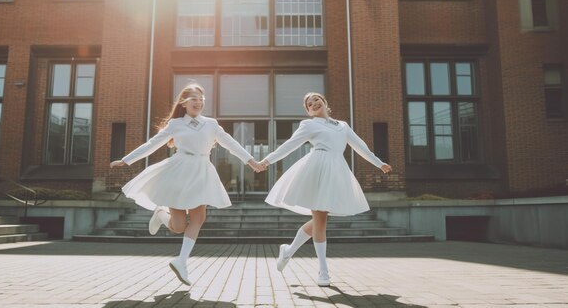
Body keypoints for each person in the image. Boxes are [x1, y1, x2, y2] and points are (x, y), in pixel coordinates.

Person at [110, 83, 264, 286]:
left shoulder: (211, 124)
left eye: (201, 99)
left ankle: (181, 262)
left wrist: (251, 161)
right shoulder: (175, 124)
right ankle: (160, 214)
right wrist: (126, 159)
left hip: (201, 170)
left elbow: (230, 143)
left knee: (199, 217)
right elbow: (151, 144)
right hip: (179, 171)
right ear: (184, 103)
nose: (198, 102)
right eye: (194, 99)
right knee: (178, 226)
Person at [259, 92, 392, 287]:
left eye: (316, 100)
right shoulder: (308, 125)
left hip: (337, 170)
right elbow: (289, 145)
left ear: (324, 102)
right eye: (309, 104)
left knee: (319, 220)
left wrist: (379, 163)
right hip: (317, 169)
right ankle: (323, 271)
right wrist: (266, 161)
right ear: (308, 111)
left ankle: (288, 251)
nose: (313, 103)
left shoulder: (343, 126)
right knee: (320, 219)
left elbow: (360, 146)